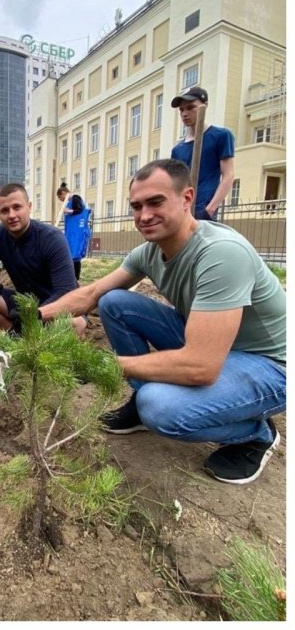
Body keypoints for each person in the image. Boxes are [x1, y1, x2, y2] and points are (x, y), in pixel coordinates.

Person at [41, 159, 285, 485]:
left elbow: (201, 366)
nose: (144, 215)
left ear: (187, 199)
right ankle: (141, 403)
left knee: (160, 408)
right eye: (136, 206)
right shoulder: (150, 251)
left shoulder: (221, 254)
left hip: (270, 365)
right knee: (114, 302)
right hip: (215, 346)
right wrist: (31, 316)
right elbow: (92, 294)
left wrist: (104, 364)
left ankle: (256, 432)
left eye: (156, 202)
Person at [0, 183, 82, 334]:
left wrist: (35, 315)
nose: (12, 215)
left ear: (29, 206)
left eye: (17, 207)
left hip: (57, 304)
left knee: (75, 323)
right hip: (26, 303)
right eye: (5, 210)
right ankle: (17, 336)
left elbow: (66, 290)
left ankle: (36, 333)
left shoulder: (52, 238)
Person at [169, 86, 234, 221]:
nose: (184, 113)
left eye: (190, 107)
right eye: (181, 109)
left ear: (205, 106)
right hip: (182, 211)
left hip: (204, 210)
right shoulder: (177, 150)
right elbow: (175, 183)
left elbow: (228, 175)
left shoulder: (220, 136)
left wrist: (210, 208)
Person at [57, 184, 92, 280]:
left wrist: (69, 211)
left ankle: (76, 278)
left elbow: (80, 210)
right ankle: (71, 276)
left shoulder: (75, 198)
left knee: (75, 254)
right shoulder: (69, 202)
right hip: (71, 232)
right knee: (70, 253)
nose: (61, 200)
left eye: (60, 197)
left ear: (63, 193)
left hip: (77, 231)